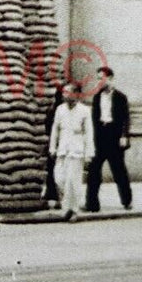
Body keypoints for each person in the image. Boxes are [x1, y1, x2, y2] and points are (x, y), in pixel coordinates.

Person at [84, 66, 133, 212]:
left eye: (101, 78)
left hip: (114, 136)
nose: (99, 81)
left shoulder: (120, 97)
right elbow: (93, 118)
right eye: (98, 79)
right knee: (94, 171)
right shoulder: (97, 96)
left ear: (110, 78)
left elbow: (126, 119)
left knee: (119, 170)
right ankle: (92, 204)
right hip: (100, 136)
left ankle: (127, 200)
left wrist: (124, 135)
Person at [48, 82, 94, 220]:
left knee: (73, 182)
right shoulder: (60, 109)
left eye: (67, 92)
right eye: (63, 92)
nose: (64, 95)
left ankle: (72, 210)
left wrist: (89, 154)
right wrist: (52, 147)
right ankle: (67, 205)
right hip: (62, 149)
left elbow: (88, 133)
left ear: (75, 94)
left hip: (76, 150)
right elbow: (55, 130)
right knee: (59, 178)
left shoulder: (84, 110)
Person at [42, 83, 65, 207]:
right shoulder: (59, 110)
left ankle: (52, 194)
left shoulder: (53, 110)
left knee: (53, 171)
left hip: (55, 143)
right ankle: (58, 195)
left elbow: (47, 127)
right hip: (59, 143)